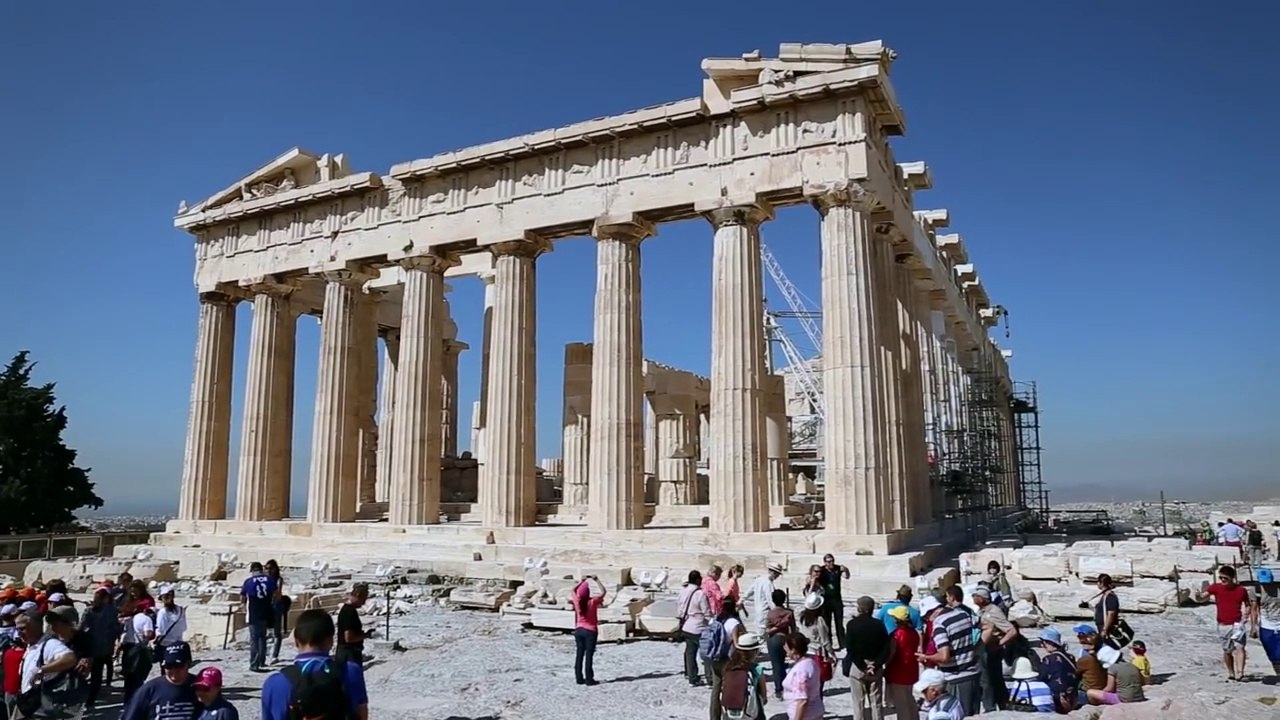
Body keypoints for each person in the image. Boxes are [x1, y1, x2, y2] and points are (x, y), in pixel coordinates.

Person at [260, 609, 368, 720]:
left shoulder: (274, 683)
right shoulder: (350, 672)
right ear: (330, 641)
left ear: (296, 642)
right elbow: (362, 715)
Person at [918, 585, 980, 716]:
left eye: (926, 616)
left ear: (933, 611)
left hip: (955, 677)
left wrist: (926, 657)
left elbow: (944, 656)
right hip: (973, 672)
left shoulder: (940, 624)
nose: (927, 620)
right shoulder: (963, 614)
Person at [18, 607, 81, 719]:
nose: (19, 633)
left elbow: (70, 658)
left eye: (23, 629)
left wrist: (43, 670)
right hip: (28, 702)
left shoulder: (50, 645)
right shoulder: (31, 645)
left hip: (40, 707)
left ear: (35, 627)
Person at [121, 641, 198, 720]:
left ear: (189, 664)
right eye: (168, 666)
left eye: (178, 665)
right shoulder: (149, 690)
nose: (173, 670)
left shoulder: (200, 687)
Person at [973, 586, 1019, 711]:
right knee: (993, 679)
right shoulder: (982, 610)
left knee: (988, 680)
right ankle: (1002, 704)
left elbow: (1011, 630)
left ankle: (992, 707)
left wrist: (1000, 643)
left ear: (982, 598)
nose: (973, 598)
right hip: (985, 648)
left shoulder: (994, 611)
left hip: (991, 650)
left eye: (976, 596)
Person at [843, 596, 889, 720]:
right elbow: (886, 648)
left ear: (859, 608)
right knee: (876, 703)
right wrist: (876, 664)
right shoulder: (879, 625)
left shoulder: (852, 624)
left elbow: (850, 648)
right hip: (875, 665)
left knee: (858, 703)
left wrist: (862, 666)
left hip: (858, 666)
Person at [78, 587, 120, 711]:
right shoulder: (112, 611)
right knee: (97, 674)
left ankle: (80, 697)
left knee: (82, 672)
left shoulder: (89, 611)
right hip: (104, 646)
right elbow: (115, 628)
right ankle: (90, 700)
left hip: (89, 646)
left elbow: (81, 627)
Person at [1207, 565, 1252, 680]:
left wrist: (1247, 613)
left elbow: (1247, 604)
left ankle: (1240, 672)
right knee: (1227, 651)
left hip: (1237, 623)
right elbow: (1203, 596)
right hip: (1223, 624)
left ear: (1232, 578)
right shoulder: (1216, 588)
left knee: (1240, 647)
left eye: (1225, 578)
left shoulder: (1241, 590)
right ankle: (1231, 672)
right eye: (1221, 578)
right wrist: (1198, 596)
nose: (1222, 580)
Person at [707, 596, 744, 719]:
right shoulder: (733, 622)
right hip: (727, 659)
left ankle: (714, 716)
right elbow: (736, 643)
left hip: (714, 657)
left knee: (716, 689)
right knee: (728, 688)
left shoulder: (715, 620)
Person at [882, 606, 920, 719]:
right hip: (911, 669)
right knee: (909, 698)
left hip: (898, 671)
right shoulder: (913, 632)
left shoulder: (896, 635)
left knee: (901, 704)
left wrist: (886, 667)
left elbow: (892, 653)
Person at [118, 593, 157, 705]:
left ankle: (128, 703)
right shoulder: (145, 619)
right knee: (138, 680)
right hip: (139, 652)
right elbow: (148, 634)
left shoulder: (126, 620)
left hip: (128, 651)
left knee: (128, 680)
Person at [240, 562, 278, 672]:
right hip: (267, 611)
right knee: (263, 637)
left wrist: (243, 607)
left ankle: (254, 664)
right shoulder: (270, 579)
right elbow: (276, 594)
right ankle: (262, 660)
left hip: (254, 613)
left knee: (254, 639)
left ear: (252, 571)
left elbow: (242, 598)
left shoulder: (248, 582)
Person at [719, 632, 767, 720]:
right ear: (754, 652)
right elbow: (763, 693)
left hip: (730, 709)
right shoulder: (757, 669)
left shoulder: (728, 667)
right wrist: (764, 699)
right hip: (750, 711)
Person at [677, 571, 711, 687]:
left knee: (690, 653)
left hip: (687, 626)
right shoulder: (700, 594)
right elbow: (706, 612)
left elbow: (680, 610)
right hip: (699, 627)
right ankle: (710, 679)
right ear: (697, 580)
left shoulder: (683, 591)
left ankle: (692, 677)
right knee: (706, 654)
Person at [1036, 627, 1079, 713]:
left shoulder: (1048, 659)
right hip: (1072, 697)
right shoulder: (1071, 657)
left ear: (1047, 642)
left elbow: (1041, 679)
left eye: (1042, 642)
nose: (1041, 645)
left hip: (1057, 699)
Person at [781, 634, 823, 720]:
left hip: (805, 716)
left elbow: (802, 700)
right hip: (815, 711)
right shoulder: (811, 662)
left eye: (787, 648)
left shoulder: (800, 671)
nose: (785, 651)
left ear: (793, 650)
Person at [571, 576, 603, 686]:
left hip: (579, 630)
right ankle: (589, 679)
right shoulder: (592, 602)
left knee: (579, 654)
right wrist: (597, 580)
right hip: (590, 631)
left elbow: (572, 590)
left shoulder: (577, 601)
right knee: (589, 655)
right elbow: (603, 592)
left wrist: (581, 581)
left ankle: (579, 678)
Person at [795, 594, 832, 686]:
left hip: (805, 650)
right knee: (818, 681)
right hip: (817, 652)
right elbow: (825, 640)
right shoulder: (819, 620)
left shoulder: (802, 617)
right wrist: (831, 653)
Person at [764, 590, 794, 700]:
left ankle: (779, 689)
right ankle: (785, 685)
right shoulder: (789, 613)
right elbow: (793, 629)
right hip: (784, 638)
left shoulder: (770, 613)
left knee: (776, 665)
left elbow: (767, 627)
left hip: (773, 640)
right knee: (782, 664)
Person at [335, 583, 372, 668]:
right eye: (363, 599)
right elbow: (349, 638)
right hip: (348, 653)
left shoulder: (348, 610)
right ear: (358, 595)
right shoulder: (349, 612)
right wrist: (366, 635)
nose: (364, 602)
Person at [3, 614, 32, 720]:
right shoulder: (27, 654)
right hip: (23, 691)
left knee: (10, 715)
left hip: (9, 689)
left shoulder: (8, 653)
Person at [818, 555, 849, 648]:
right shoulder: (822, 571)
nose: (831, 563)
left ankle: (842, 644)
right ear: (825, 562)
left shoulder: (838, 568)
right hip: (826, 600)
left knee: (839, 623)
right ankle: (829, 644)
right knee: (827, 623)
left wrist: (846, 569)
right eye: (828, 562)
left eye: (832, 561)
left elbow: (847, 576)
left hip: (837, 599)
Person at [743, 562, 783, 635]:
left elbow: (749, 591)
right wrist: (778, 613)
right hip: (765, 612)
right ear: (773, 572)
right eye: (777, 574)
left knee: (759, 633)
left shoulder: (759, 579)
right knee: (763, 636)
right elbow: (771, 600)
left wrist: (742, 599)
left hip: (758, 612)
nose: (778, 576)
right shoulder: (768, 583)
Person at [265, 560, 292, 664]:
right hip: (266, 605)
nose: (268, 570)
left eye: (270, 568)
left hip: (276, 606)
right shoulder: (265, 579)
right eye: (266, 568)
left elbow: (278, 594)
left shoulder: (278, 580)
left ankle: (274, 655)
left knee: (277, 632)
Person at [1072, 627, 1108, 696]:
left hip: (1093, 687)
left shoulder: (1103, 650)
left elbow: (1076, 671)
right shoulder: (1084, 650)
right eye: (1079, 636)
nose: (1080, 639)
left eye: (1082, 637)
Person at [1089, 574, 1122, 647]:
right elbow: (1101, 611)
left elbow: (1111, 614)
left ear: (1102, 583)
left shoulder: (1110, 596)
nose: (1097, 584)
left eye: (1098, 582)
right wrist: (1089, 606)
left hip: (1107, 629)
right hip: (1102, 627)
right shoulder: (1104, 596)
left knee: (1108, 647)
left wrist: (1105, 629)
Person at [154, 585, 188, 652]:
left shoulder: (162, 612)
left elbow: (161, 630)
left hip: (165, 644)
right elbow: (184, 627)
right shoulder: (181, 610)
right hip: (178, 643)